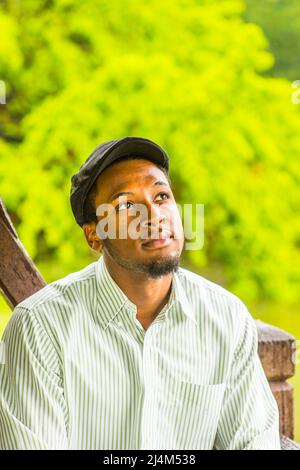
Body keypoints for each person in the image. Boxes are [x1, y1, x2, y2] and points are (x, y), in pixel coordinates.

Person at [0, 137, 281, 449]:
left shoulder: (225, 317)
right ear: (94, 235)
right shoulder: (40, 327)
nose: (153, 215)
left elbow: (254, 442)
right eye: (126, 205)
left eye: (161, 196)